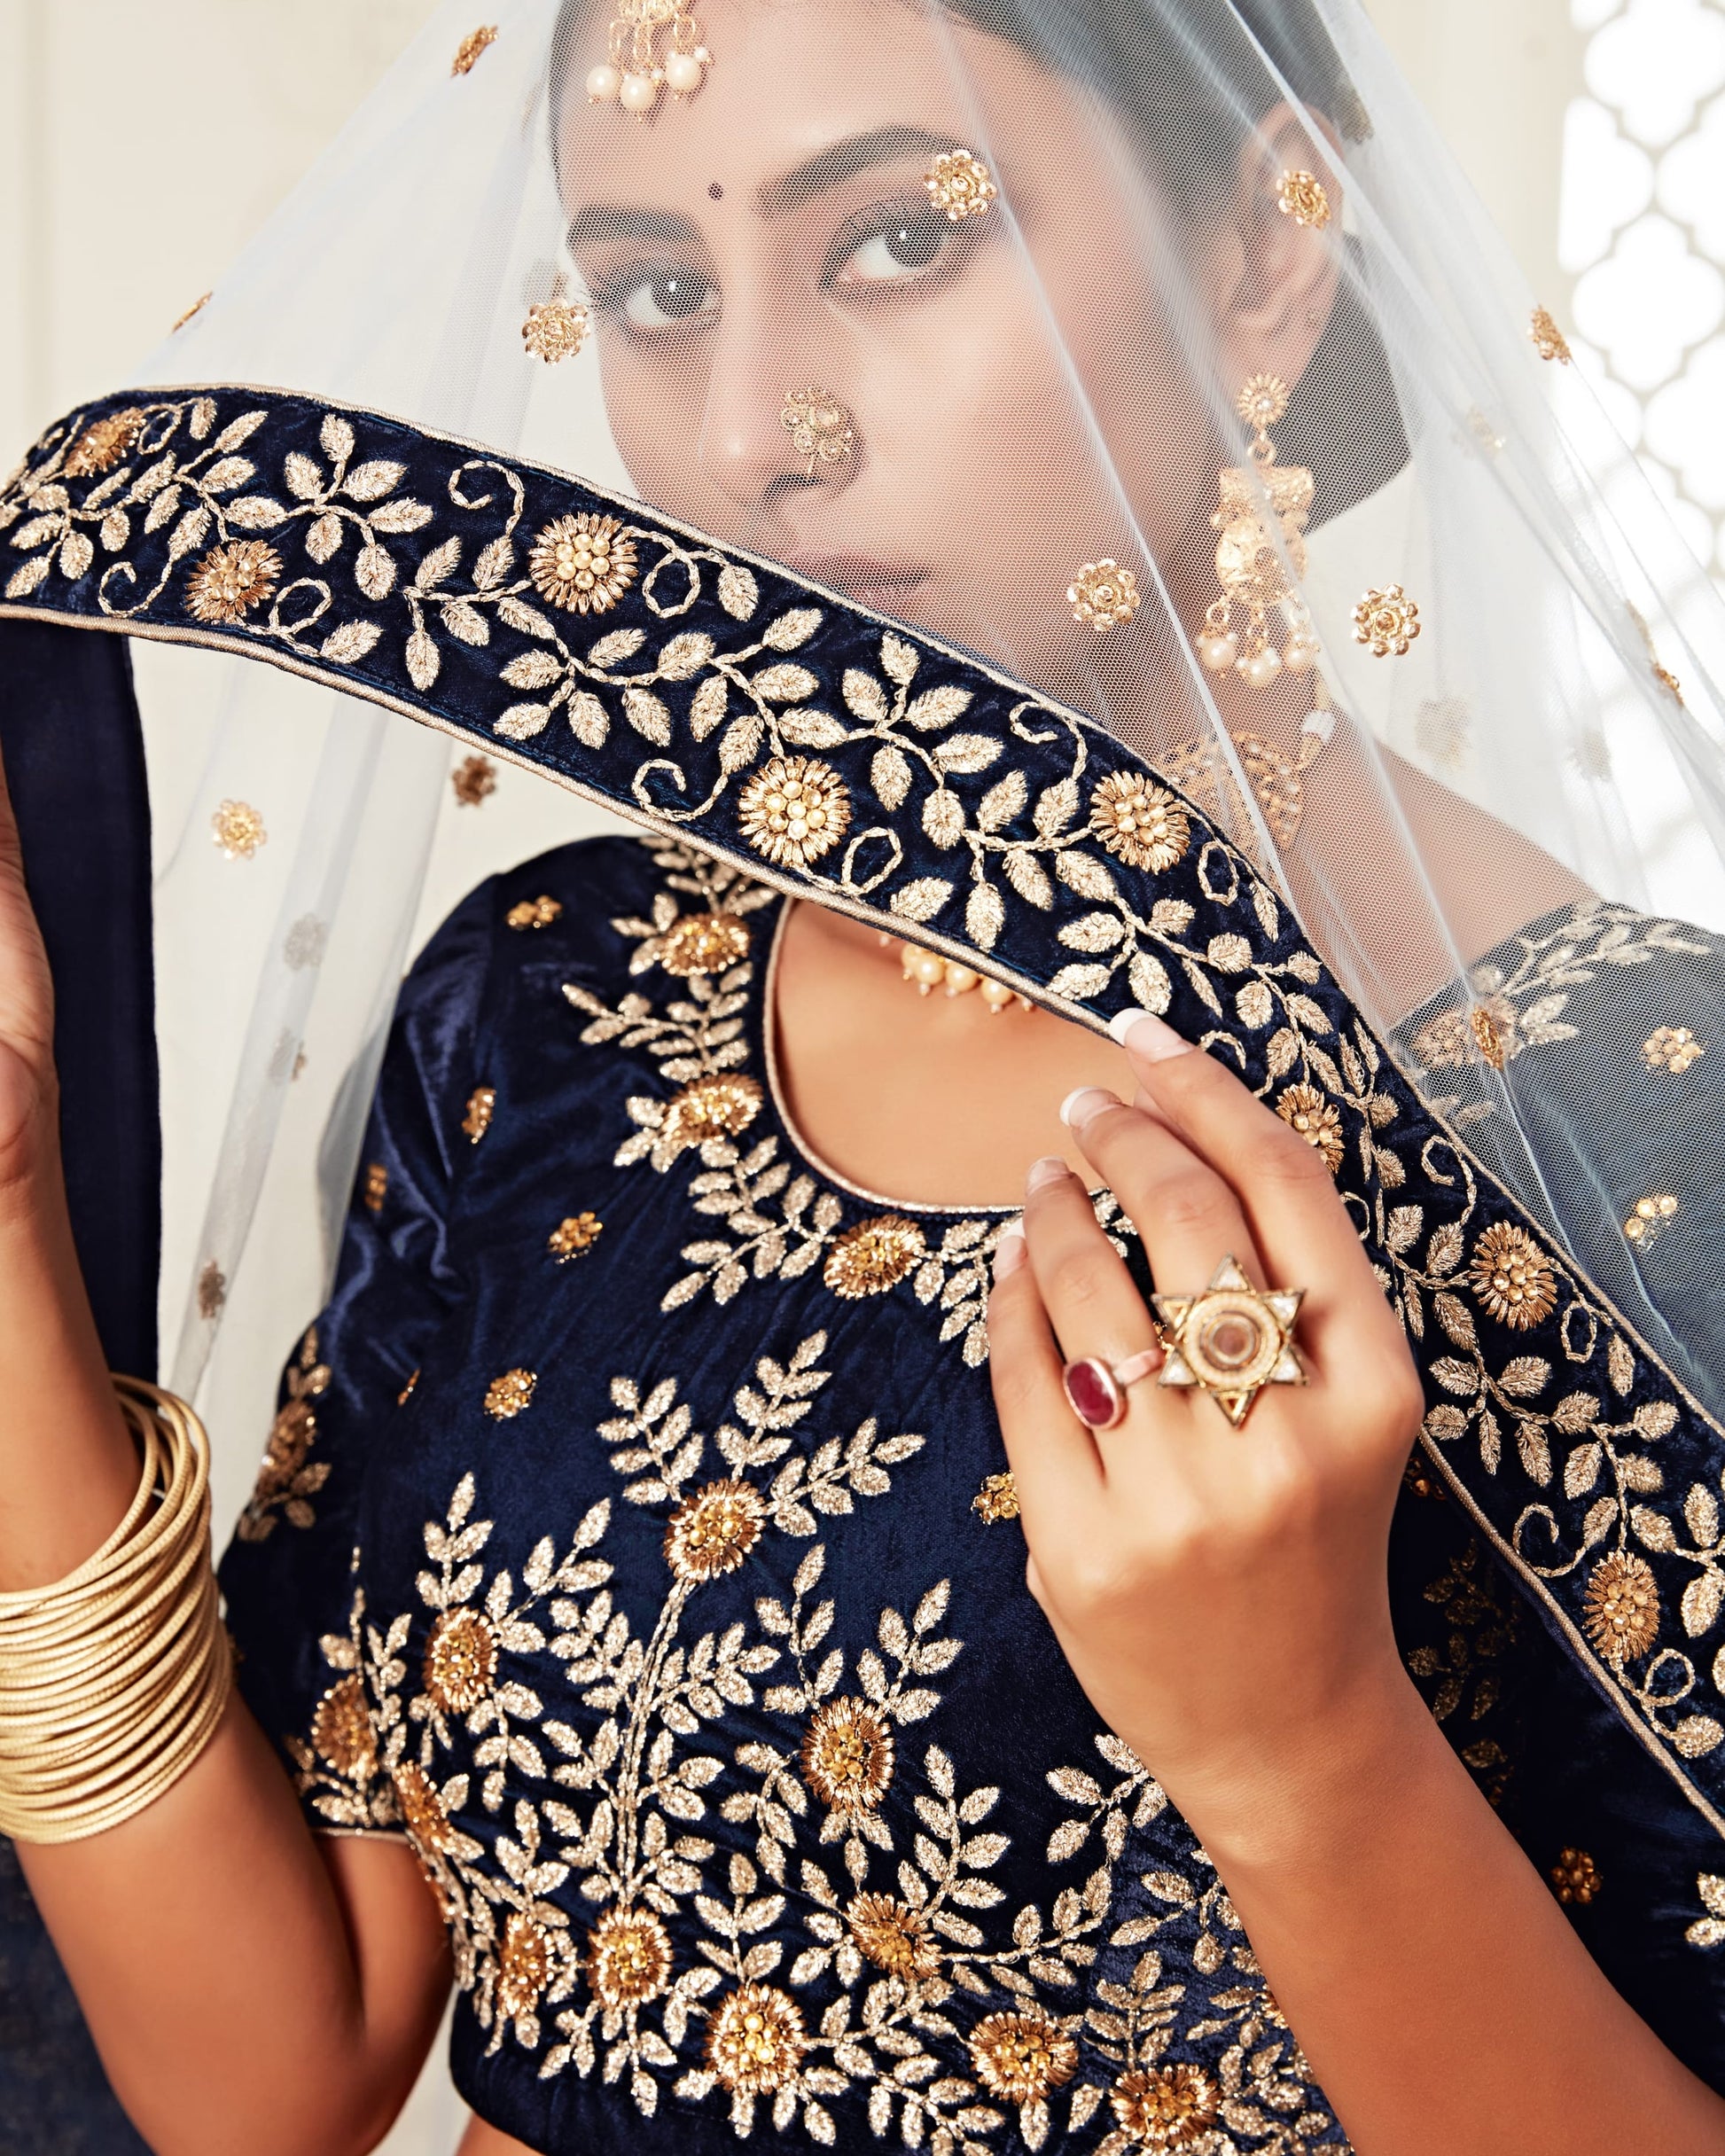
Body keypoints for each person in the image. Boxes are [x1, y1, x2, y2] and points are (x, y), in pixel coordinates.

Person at [0, 3, 1723, 2152]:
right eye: (653, 291)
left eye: (902, 241)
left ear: (1274, 244)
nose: (745, 437)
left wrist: (1303, 1749)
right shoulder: (551, 1006)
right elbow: (273, 2076)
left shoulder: (1650, 1126)